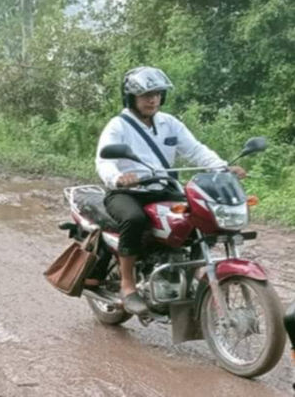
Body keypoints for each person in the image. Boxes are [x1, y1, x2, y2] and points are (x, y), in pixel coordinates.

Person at [95, 66, 247, 315]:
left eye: (157, 94)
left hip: (164, 188)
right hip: (128, 193)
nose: (153, 100)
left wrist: (223, 168)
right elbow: (104, 161)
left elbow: (195, 150)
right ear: (131, 97)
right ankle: (128, 285)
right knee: (134, 219)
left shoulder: (170, 123)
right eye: (146, 95)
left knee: (200, 215)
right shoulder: (118, 126)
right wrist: (119, 178)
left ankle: (191, 270)